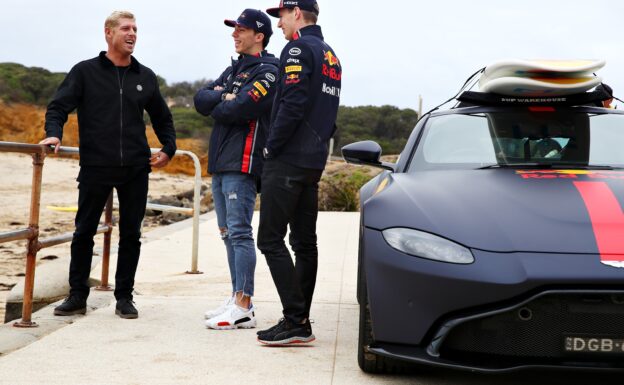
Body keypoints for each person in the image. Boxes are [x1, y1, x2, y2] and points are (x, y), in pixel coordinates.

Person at [40, 11, 177, 319]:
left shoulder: (145, 76)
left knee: (131, 234)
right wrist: (53, 134)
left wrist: (169, 147)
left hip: (136, 168)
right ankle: (77, 295)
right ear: (108, 33)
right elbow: (59, 106)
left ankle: (124, 297)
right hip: (95, 166)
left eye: (136, 29)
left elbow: (162, 118)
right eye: (126, 28)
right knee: (83, 231)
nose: (132, 34)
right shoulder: (85, 72)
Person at [256, 0, 342, 345]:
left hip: (289, 158)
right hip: (313, 160)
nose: (278, 25)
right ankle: (298, 318)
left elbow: (292, 103)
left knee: (269, 239)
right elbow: (330, 113)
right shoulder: (330, 54)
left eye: (280, 17)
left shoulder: (296, 48)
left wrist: (270, 147)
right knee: (304, 242)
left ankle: (296, 321)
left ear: (296, 13)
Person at [194, 9, 279, 330]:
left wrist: (225, 99)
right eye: (234, 29)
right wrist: (224, 96)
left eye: (241, 29)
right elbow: (201, 100)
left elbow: (242, 107)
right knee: (227, 233)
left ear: (258, 36)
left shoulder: (269, 69)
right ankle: (235, 297)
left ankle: (245, 303)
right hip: (220, 161)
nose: (234, 34)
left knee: (241, 233)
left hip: (243, 162)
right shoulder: (235, 69)